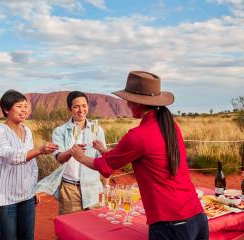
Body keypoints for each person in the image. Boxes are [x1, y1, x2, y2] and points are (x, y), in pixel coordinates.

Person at [70, 71, 209, 240]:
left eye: (128, 99)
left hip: (171, 223)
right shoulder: (170, 125)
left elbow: (105, 167)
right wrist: (106, 152)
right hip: (197, 216)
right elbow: (149, 156)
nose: (127, 103)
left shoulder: (139, 135)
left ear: (136, 102)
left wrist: (80, 157)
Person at [0, 89, 58, 240]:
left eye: (26, 105)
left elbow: (31, 165)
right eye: (19, 106)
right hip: (4, 199)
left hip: (27, 197)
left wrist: (35, 188)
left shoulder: (27, 131)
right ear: (6, 109)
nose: (24, 109)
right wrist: (38, 150)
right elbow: (9, 156)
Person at [36, 91, 108, 214]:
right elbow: (59, 158)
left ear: (88, 107)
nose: (81, 110)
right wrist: (71, 151)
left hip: (93, 189)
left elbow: (104, 159)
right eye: (76, 106)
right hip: (70, 190)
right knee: (70, 230)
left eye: (84, 106)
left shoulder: (96, 129)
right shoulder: (60, 131)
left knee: (95, 229)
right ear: (69, 109)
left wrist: (106, 187)